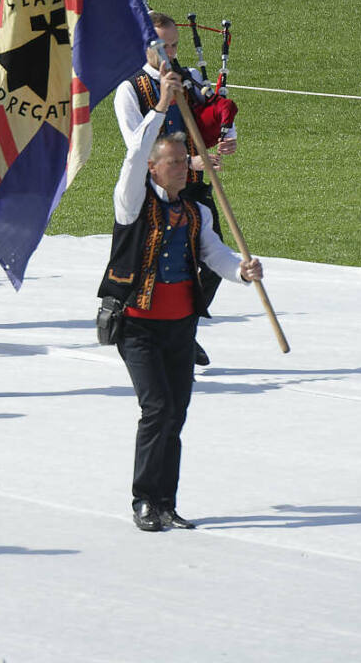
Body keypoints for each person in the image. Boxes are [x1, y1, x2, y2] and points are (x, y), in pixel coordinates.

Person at [101, 65, 261, 532]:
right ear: (155, 167)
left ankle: (166, 500)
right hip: (138, 324)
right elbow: (133, 156)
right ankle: (144, 500)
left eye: (181, 162)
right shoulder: (132, 201)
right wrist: (157, 109)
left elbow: (215, 256)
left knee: (178, 412)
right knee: (157, 409)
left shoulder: (194, 211)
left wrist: (242, 272)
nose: (180, 168)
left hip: (180, 325)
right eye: (172, 162)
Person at [112, 10, 237, 366]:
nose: (170, 53)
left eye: (174, 45)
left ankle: (187, 329)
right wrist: (189, 162)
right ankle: (127, 316)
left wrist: (228, 135)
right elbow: (137, 148)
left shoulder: (190, 77)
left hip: (193, 188)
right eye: (162, 47)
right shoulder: (129, 89)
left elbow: (212, 112)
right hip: (152, 193)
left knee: (213, 262)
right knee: (153, 262)